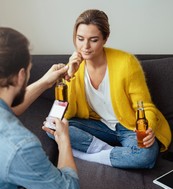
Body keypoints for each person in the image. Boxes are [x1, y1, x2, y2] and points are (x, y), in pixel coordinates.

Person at [0, 27, 100, 189]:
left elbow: (7, 108)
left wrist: (45, 82)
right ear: (22, 75)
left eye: (93, 39)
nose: (86, 46)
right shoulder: (20, 144)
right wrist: (64, 140)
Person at [43, 9, 171, 169]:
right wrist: (70, 76)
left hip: (128, 126)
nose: (85, 47)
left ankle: (88, 154)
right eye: (80, 39)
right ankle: (109, 153)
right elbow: (66, 114)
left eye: (94, 40)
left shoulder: (126, 63)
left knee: (145, 156)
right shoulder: (76, 65)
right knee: (52, 126)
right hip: (100, 125)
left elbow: (144, 106)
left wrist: (149, 128)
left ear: (105, 38)